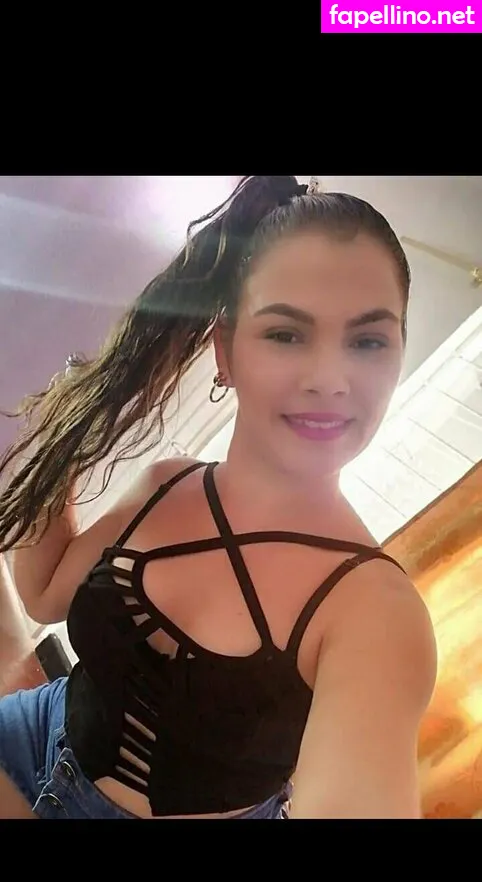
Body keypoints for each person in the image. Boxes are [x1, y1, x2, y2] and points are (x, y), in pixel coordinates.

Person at [0, 175, 437, 820]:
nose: (330, 379)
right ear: (225, 351)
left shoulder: (376, 612)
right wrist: (70, 430)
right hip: (34, 736)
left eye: (368, 341)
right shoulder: (167, 484)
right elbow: (42, 594)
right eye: (286, 334)